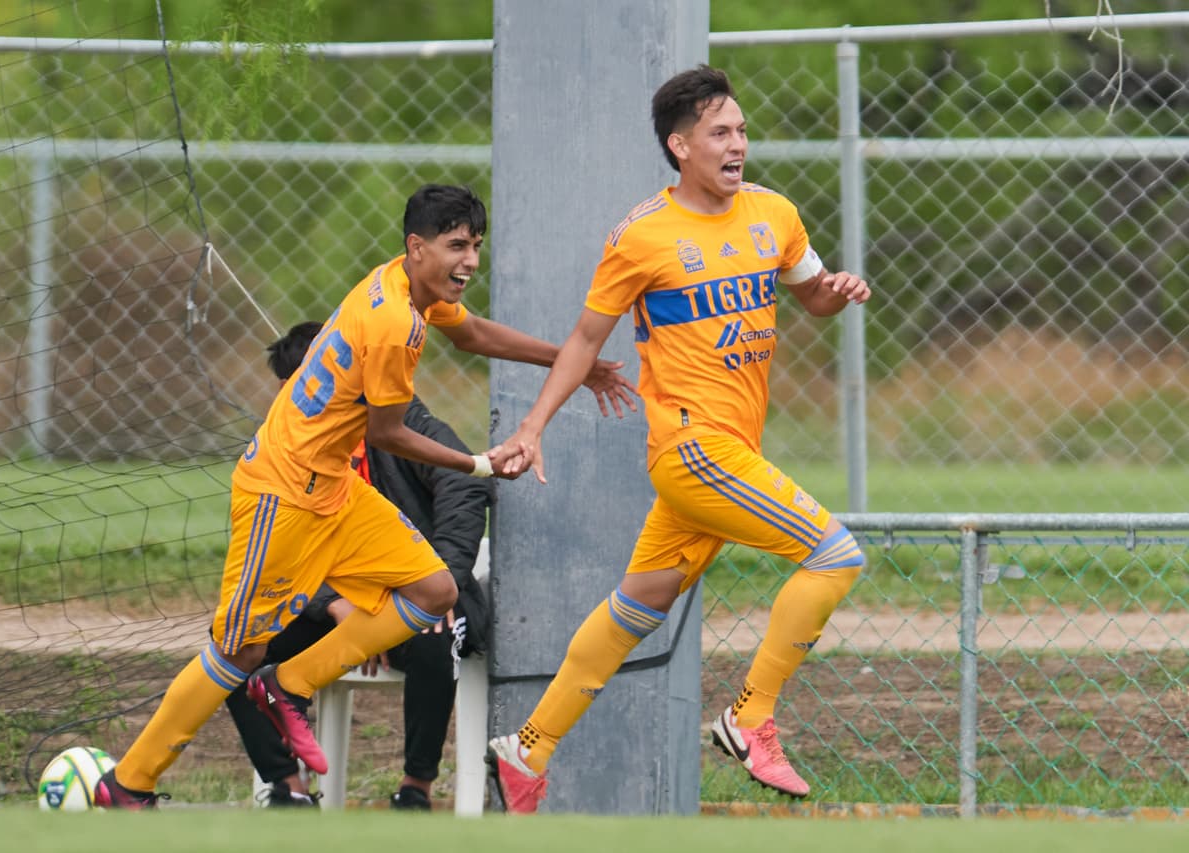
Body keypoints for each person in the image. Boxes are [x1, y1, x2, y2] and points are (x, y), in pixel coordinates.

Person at [93, 184, 636, 808]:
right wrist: (478, 462)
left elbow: (472, 335)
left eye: (476, 246)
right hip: (281, 493)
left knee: (435, 591)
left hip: (333, 488)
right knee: (238, 651)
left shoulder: (405, 284)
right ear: (417, 247)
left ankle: (287, 686)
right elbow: (387, 433)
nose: (470, 261)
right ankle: (129, 781)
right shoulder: (394, 323)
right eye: (456, 245)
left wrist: (571, 361)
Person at [484, 65, 872, 814]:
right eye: (720, 133)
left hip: (731, 453)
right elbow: (584, 339)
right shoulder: (641, 236)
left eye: (742, 130)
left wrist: (839, 290)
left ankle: (526, 750)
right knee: (835, 555)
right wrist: (532, 427)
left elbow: (813, 297)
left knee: (639, 604)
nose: (738, 145)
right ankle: (749, 718)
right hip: (694, 451)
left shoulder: (775, 214)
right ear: (681, 146)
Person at [224, 321, 493, 810]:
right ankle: (288, 788)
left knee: (433, 630)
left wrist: (443, 581)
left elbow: (466, 482)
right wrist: (334, 603)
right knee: (237, 646)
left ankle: (415, 789)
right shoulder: (281, 455)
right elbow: (275, 554)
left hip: (416, 599)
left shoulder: (400, 422)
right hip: (328, 608)